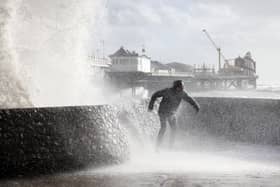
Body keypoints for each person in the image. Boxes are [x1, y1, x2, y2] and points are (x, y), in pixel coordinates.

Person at [148, 80, 200, 149]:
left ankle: (170, 147)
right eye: (181, 88)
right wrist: (151, 106)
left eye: (182, 87)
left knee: (174, 129)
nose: (182, 89)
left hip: (171, 113)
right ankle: (157, 147)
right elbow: (155, 95)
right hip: (162, 112)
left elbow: (189, 99)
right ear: (176, 87)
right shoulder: (167, 91)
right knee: (163, 128)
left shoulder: (182, 93)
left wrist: (196, 106)